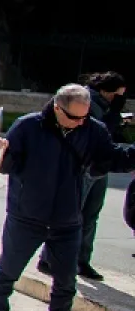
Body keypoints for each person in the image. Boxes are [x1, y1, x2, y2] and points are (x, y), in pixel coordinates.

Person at [0, 84, 135, 311]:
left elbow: (110, 159)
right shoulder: (28, 127)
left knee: (66, 279)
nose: (80, 122)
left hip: (67, 218)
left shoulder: (92, 129)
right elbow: (7, 166)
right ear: (56, 107)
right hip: (26, 215)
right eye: (74, 117)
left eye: (84, 116)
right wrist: (0, 151)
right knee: (8, 270)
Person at [37, 71, 127, 282]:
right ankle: (49, 259)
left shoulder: (103, 105)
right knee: (70, 215)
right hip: (83, 167)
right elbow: (94, 132)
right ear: (105, 91)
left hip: (99, 167)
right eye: (118, 95)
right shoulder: (87, 102)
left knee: (90, 216)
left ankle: (81, 260)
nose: (119, 100)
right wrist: (115, 114)